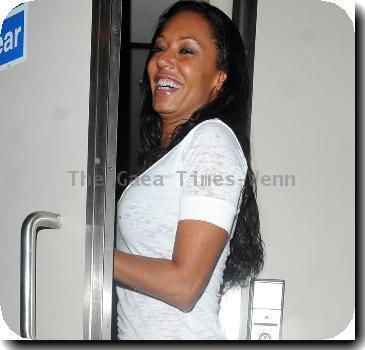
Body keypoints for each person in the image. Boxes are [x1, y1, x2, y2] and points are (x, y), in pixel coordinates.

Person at [113, 0, 264, 340]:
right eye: (160, 48)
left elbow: (184, 285)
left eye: (186, 51)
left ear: (219, 80)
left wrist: (90, 254)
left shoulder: (211, 139)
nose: (163, 59)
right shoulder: (171, 158)